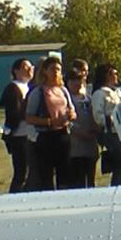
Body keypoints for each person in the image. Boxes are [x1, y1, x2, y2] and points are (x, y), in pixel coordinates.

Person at [24, 56, 75, 191]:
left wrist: (71, 115)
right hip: (46, 137)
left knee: (65, 173)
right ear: (45, 71)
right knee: (46, 175)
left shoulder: (63, 90)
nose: (56, 72)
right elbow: (29, 117)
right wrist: (49, 122)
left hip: (63, 134)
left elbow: (72, 109)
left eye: (58, 69)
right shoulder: (38, 92)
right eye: (52, 69)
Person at [91, 63, 121, 186]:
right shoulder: (99, 93)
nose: (115, 76)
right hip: (111, 133)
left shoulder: (118, 92)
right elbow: (97, 116)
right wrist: (112, 119)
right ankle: (120, 188)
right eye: (112, 74)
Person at [1, 57, 33, 192]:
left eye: (31, 66)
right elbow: (14, 114)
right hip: (19, 136)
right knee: (21, 172)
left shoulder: (30, 87)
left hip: (30, 135)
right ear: (16, 71)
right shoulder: (13, 88)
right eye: (26, 67)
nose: (30, 69)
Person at [66, 70, 98, 188]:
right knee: (78, 181)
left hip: (91, 146)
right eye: (74, 80)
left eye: (80, 80)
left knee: (90, 180)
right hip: (75, 147)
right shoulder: (67, 99)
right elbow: (67, 122)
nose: (77, 83)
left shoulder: (88, 99)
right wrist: (79, 132)